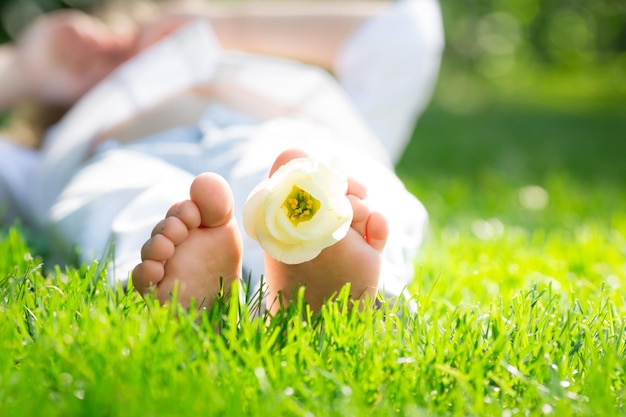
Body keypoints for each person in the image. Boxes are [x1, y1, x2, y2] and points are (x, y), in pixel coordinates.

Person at [0, 0, 444, 313]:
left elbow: (406, 29)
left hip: (279, 131)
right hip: (120, 154)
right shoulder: (47, 148)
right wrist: (25, 70)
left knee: (317, 179)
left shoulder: (278, 80)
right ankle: (190, 288)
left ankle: (324, 266)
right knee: (140, 202)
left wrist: (222, 26)